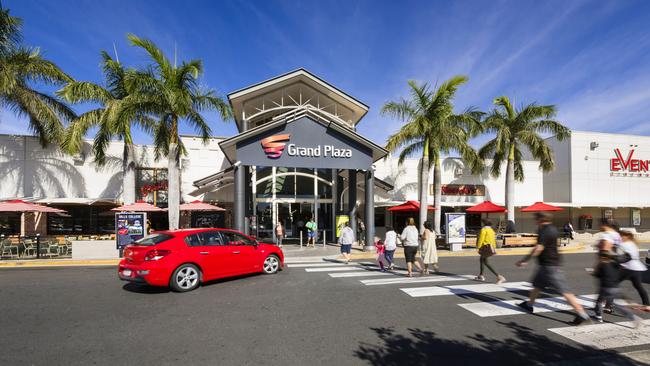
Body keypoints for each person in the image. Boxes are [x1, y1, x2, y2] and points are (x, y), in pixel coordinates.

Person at [516, 212, 591, 325]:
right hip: (547, 265)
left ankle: (582, 314)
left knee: (564, 291)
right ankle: (529, 305)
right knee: (537, 285)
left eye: (536, 218)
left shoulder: (544, 230)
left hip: (549, 266)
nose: (535, 220)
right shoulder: (552, 228)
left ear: (541, 219)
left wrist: (525, 260)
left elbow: (539, 248)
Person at [591, 246, 643, 328]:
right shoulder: (615, 263)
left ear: (601, 257)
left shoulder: (601, 265)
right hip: (615, 287)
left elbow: (596, 274)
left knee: (599, 302)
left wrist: (594, 270)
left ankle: (598, 317)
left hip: (605, 288)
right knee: (617, 305)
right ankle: (634, 318)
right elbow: (628, 258)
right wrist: (625, 252)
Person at [613, 230, 649, 311]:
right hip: (637, 268)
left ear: (626, 236)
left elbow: (618, 256)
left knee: (612, 283)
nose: (620, 238)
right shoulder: (633, 243)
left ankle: (608, 304)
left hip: (628, 268)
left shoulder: (623, 244)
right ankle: (647, 305)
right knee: (638, 286)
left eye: (621, 236)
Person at [475, 219, 506, 284]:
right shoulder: (491, 230)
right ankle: (481, 275)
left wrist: (478, 247)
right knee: (481, 259)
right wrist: (494, 248)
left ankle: (499, 277)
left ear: (484, 223)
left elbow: (481, 239)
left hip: (485, 247)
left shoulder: (483, 230)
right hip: (490, 247)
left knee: (486, 262)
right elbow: (493, 240)